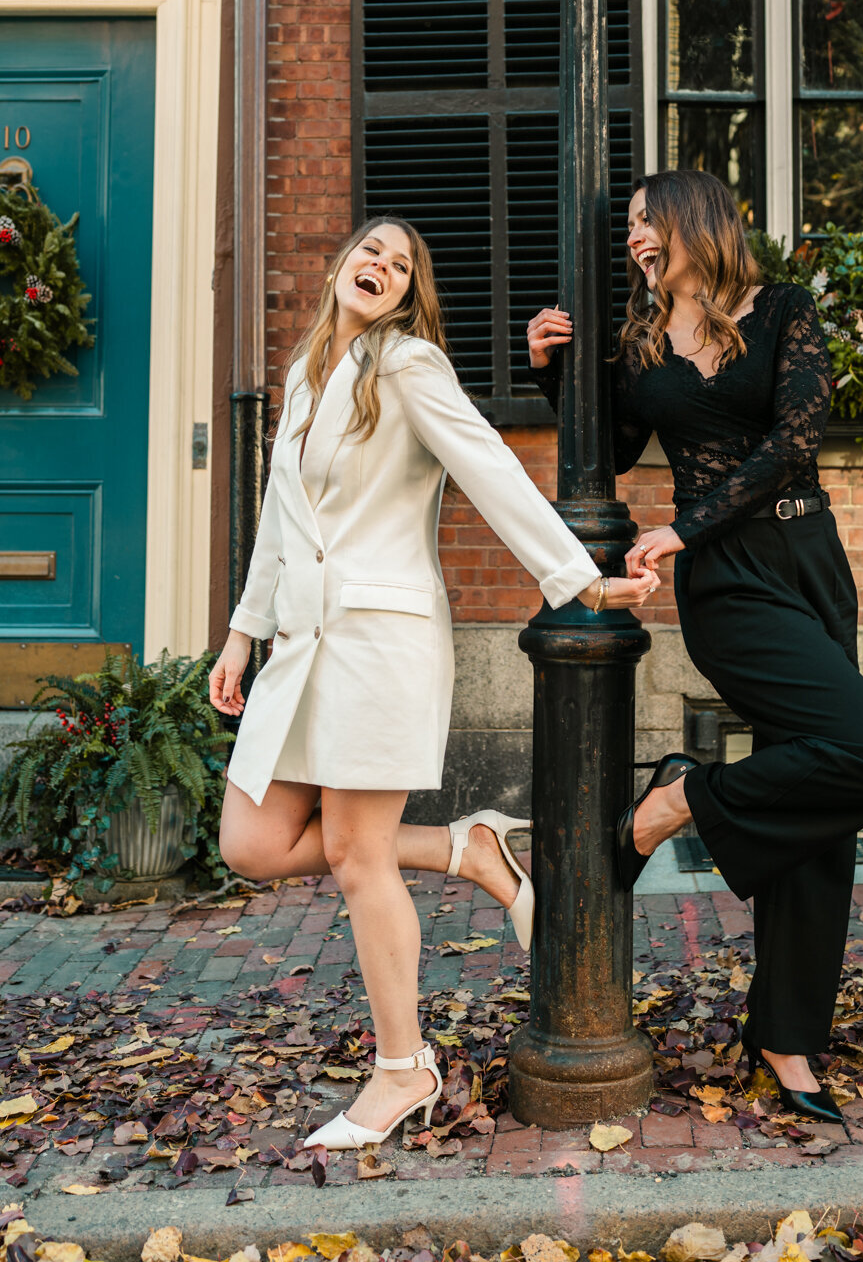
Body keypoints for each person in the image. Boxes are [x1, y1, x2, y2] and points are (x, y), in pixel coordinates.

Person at [210, 216, 659, 1153]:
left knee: (355, 856)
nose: (380, 266)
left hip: (379, 643)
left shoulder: (408, 366)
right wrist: (241, 636)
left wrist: (579, 578)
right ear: (341, 267)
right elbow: (279, 520)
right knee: (250, 842)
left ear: (409, 296)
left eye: (401, 263)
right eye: (369, 251)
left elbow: (490, 468)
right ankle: (469, 851)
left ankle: (403, 1070)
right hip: (301, 645)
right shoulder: (302, 377)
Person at [528, 169, 863, 1122]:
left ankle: (786, 1038)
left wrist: (686, 520)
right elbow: (615, 450)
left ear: (694, 221)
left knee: (820, 800)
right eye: (626, 229)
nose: (633, 241)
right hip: (729, 586)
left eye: (644, 222)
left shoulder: (781, 309)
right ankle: (679, 800)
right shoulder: (639, 339)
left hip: (808, 560)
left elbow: (795, 438)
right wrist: (554, 371)